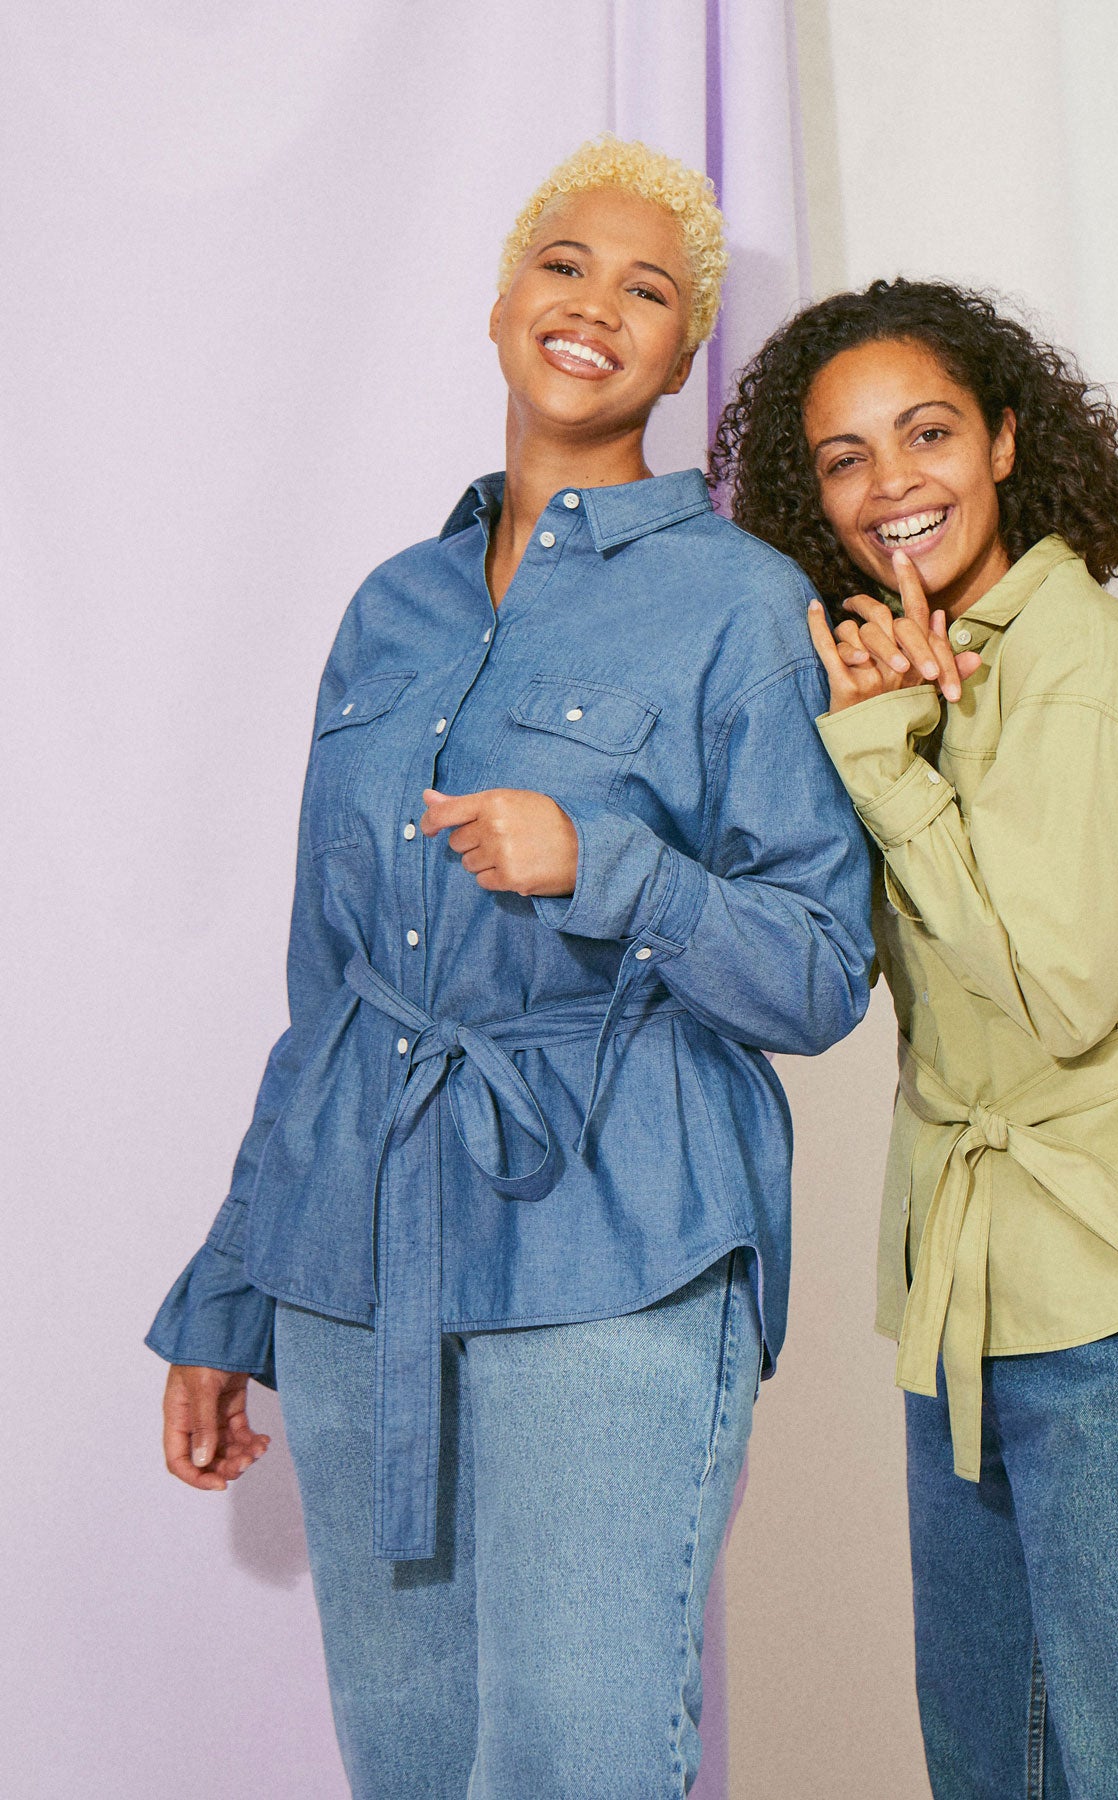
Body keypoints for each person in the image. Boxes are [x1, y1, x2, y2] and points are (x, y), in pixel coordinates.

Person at [147, 138, 873, 1800]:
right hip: (357, 1264)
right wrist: (231, 1285)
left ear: (684, 360)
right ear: (499, 302)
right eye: (565, 263)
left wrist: (605, 867)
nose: (595, 305)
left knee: (576, 1763)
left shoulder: (744, 610)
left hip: (617, 1256)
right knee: (405, 1764)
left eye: (650, 290)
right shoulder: (387, 611)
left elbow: (825, 972)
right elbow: (325, 989)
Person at [713, 277, 1118, 1799]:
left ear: (1000, 440)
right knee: (998, 1773)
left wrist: (886, 765)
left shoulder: (1073, 664)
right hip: (971, 1301)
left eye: (924, 433)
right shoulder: (933, 661)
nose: (889, 483)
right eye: (844, 458)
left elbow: (1060, 1001)